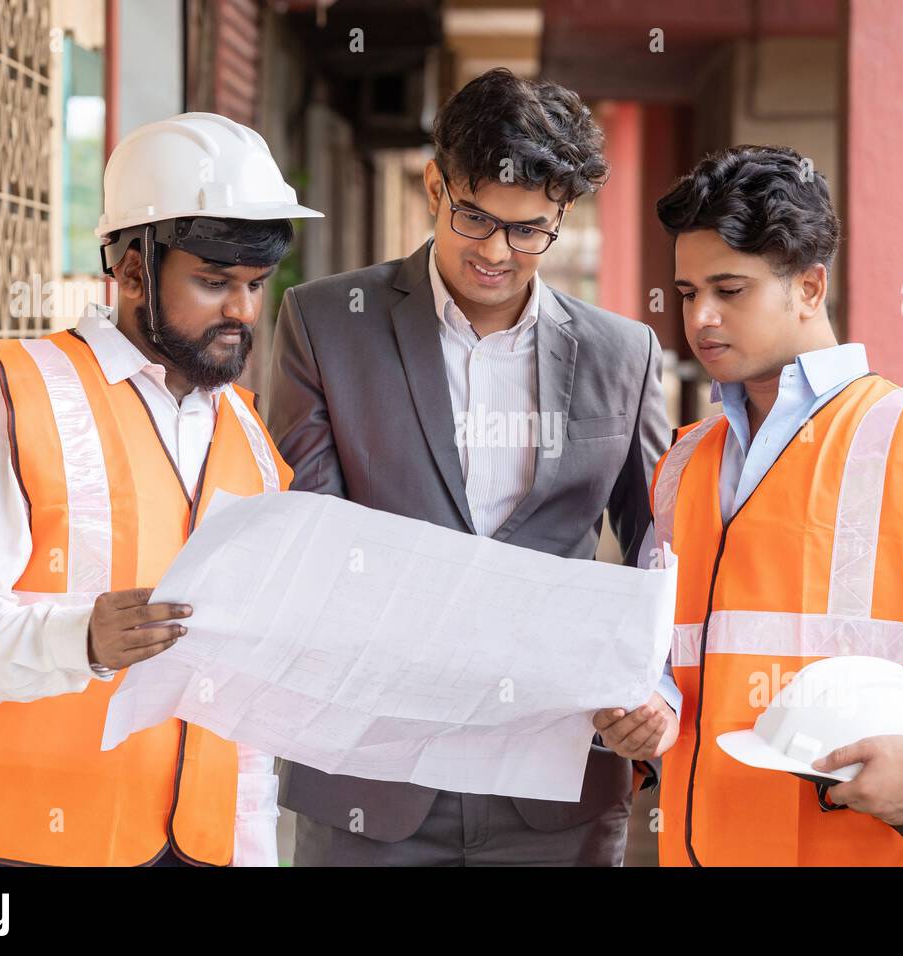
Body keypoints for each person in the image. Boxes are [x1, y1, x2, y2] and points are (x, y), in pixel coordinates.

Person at [595, 145, 903, 866]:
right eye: (689, 293)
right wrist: (648, 705)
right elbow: (671, 649)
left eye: (731, 288)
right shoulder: (686, 460)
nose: (702, 318)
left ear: (810, 288)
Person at [265, 68, 673, 866]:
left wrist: (657, 686)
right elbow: (310, 539)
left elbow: (661, 540)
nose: (495, 252)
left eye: (528, 231)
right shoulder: (324, 324)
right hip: (369, 778)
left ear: (562, 216)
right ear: (433, 186)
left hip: (557, 784)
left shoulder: (623, 355)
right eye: (475, 217)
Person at [0, 112, 319, 866]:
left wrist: (254, 848)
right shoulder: (21, 392)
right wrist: (82, 641)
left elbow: (246, 693)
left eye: (256, 285)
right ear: (133, 271)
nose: (241, 311)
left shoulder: (250, 437)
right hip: (40, 842)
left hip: (200, 845)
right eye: (213, 282)